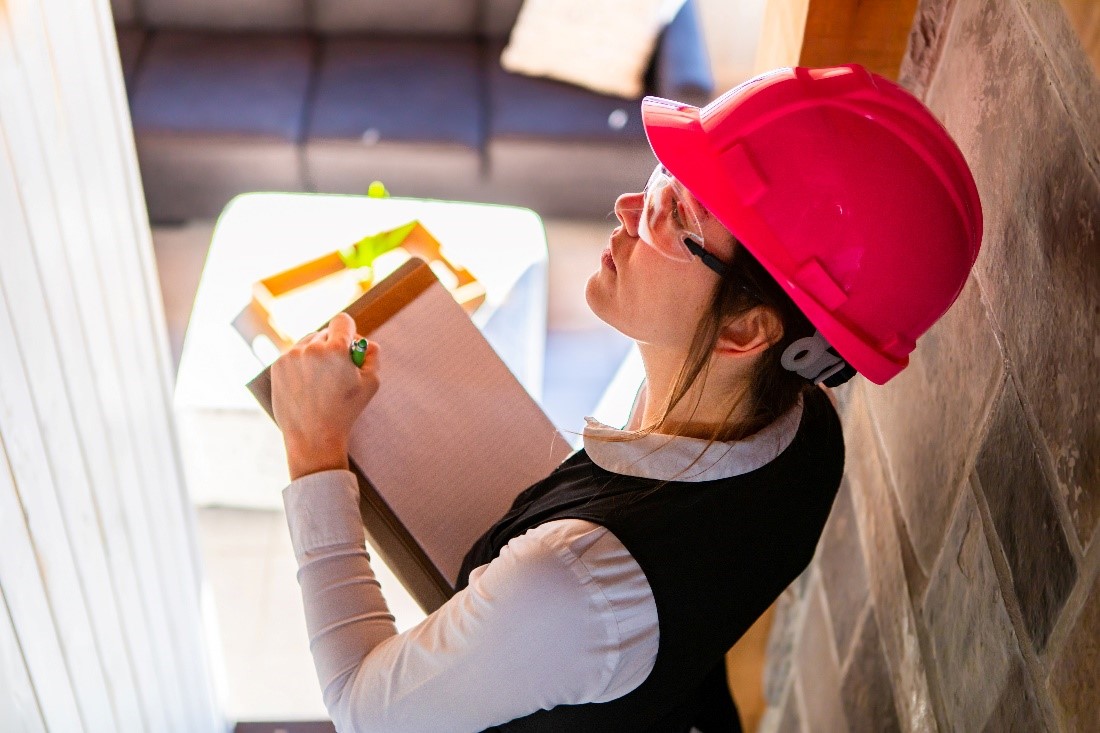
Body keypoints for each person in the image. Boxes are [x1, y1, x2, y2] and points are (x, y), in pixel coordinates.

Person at [270, 64, 982, 732]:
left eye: (676, 213)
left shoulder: (571, 588)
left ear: (744, 329)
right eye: (663, 177)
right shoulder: (805, 430)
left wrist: (313, 450)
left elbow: (365, 708)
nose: (628, 206)